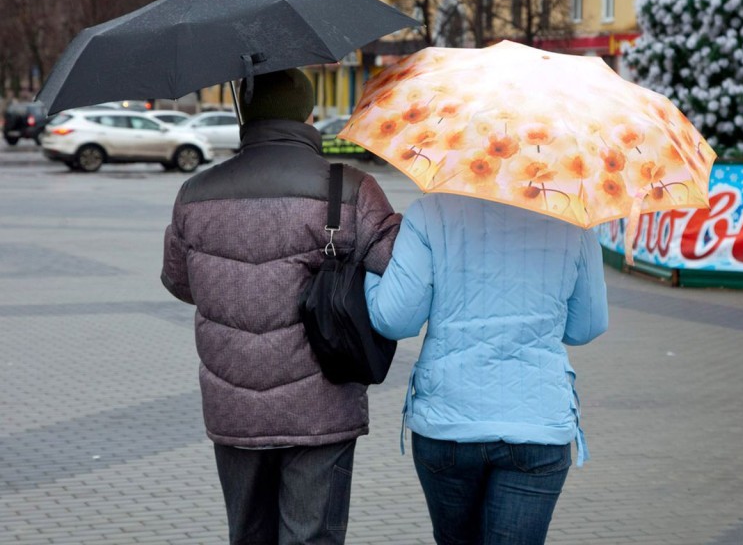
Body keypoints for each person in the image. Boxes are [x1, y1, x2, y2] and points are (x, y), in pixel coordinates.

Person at [161, 68, 401, 545]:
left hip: (233, 406)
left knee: (248, 535)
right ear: (307, 114)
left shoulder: (194, 193)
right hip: (322, 406)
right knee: (312, 537)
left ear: (246, 115)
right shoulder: (348, 188)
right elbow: (396, 276)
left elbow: (180, 283)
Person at [365, 194, 608, 545]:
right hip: (536, 422)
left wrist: (371, 276)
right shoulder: (573, 219)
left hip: (449, 420)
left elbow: (396, 320)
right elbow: (586, 327)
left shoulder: (431, 212)